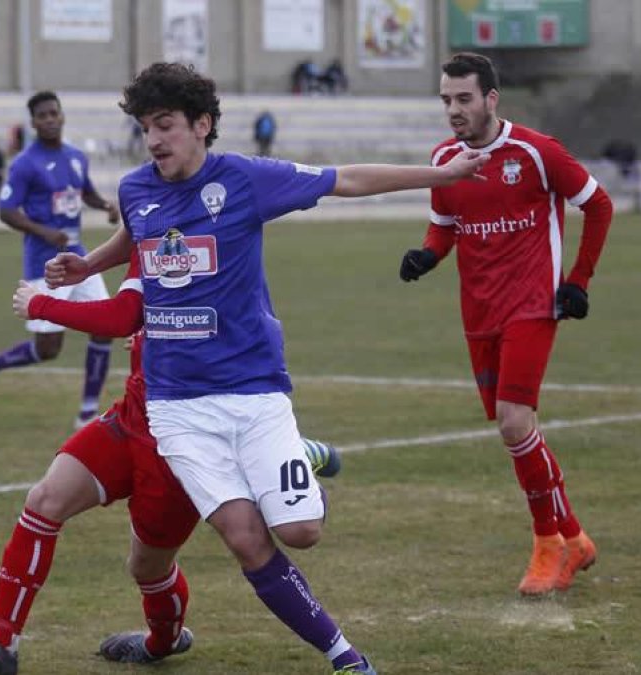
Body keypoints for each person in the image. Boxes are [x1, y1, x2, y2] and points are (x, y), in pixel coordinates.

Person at [43, 62, 488, 674]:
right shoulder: (136, 188)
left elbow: (346, 179)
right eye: (146, 127)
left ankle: (298, 458)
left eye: (165, 125)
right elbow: (134, 238)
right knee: (245, 537)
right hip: (177, 406)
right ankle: (348, 659)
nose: (154, 140)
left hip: (254, 391)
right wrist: (87, 267)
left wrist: (445, 172)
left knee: (301, 530)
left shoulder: (247, 180)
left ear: (202, 125)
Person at [0, 254, 343, 675]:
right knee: (44, 500)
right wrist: (98, 275)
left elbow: (124, 317)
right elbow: (132, 305)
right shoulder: (151, 233)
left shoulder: (216, 247)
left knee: (147, 566)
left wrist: (42, 305)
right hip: (129, 418)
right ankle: (2, 644)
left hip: (179, 446)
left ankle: (161, 641)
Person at [397, 52, 612, 597]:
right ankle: (575, 537)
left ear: (492, 99)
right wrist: (427, 255)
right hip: (478, 311)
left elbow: (600, 204)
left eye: (464, 98)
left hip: (533, 306)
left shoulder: (536, 153)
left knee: (516, 423)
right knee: (518, 434)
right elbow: (444, 227)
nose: (453, 109)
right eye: (446, 99)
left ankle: (548, 545)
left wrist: (578, 280)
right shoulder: (445, 159)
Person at [0, 91, 120, 429]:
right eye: (42, 115)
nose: (49, 119)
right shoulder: (25, 163)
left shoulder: (77, 157)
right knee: (49, 347)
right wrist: (45, 232)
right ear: (33, 122)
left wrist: (105, 205)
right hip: (44, 265)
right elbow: (7, 211)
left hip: (80, 260)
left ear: (62, 116)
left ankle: (87, 414)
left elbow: (86, 192)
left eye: (54, 113)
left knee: (105, 327)